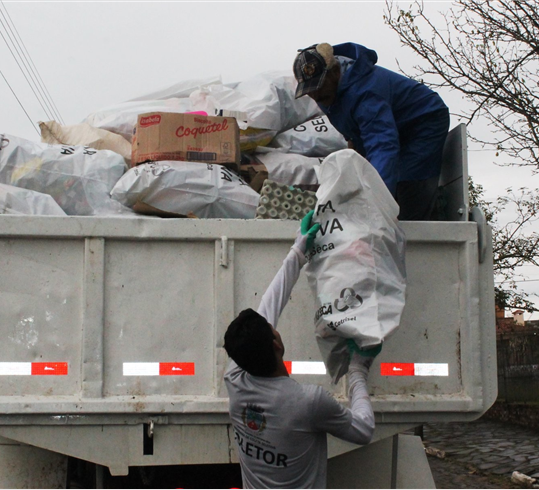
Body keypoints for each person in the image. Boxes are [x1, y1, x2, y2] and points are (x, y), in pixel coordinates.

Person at [223, 211, 379, 488]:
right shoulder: (307, 403)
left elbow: (268, 309)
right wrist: (357, 372)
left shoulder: (236, 378)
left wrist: (298, 251)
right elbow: (363, 430)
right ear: (276, 343)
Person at [293, 42, 450, 221]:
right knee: (370, 179)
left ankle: (416, 230)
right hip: (391, 123)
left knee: (408, 182)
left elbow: (382, 145)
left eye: (319, 86)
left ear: (335, 72)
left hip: (423, 121)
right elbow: (352, 130)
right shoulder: (327, 92)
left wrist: (377, 204)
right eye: (310, 90)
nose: (315, 95)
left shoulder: (366, 93)